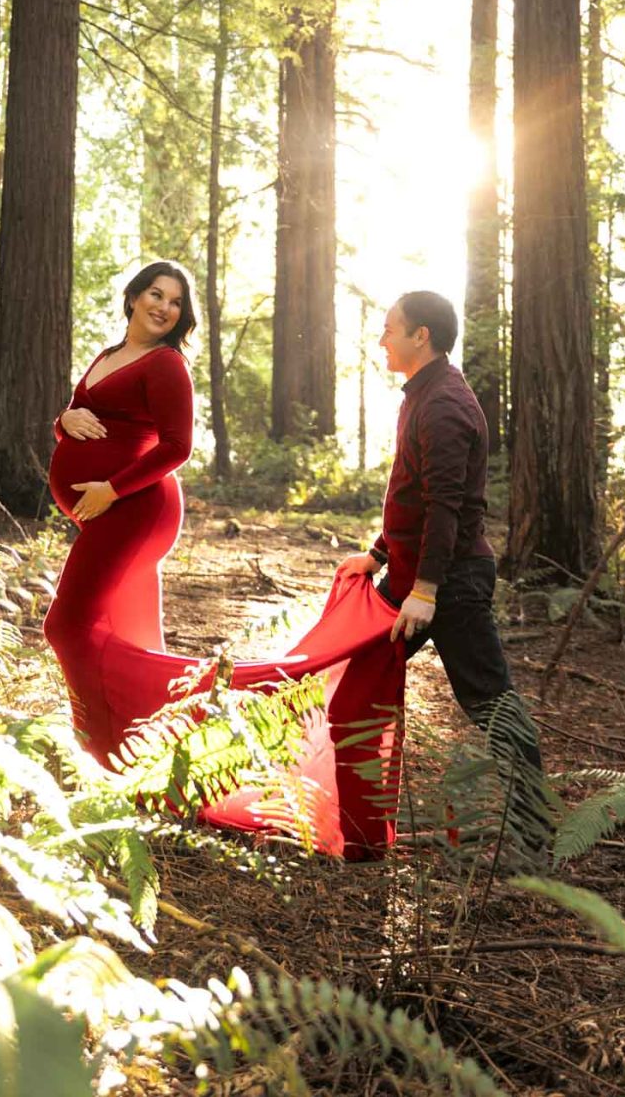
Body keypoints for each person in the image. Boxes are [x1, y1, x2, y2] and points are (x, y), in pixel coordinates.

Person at [43, 261, 406, 856]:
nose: (164, 307)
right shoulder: (110, 354)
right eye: (155, 295)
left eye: (176, 303)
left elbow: (178, 447)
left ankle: (117, 759)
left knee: (67, 627)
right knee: (120, 636)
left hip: (135, 508)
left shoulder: (166, 365)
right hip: (113, 510)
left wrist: (110, 490)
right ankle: (149, 761)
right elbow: (92, 425)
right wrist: (65, 419)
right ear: (133, 297)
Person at [338, 290, 551, 857]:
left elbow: (446, 508)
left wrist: (426, 591)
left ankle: (535, 837)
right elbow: (414, 495)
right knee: (358, 686)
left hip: (449, 583)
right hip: (416, 578)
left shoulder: (444, 405)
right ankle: (356, 829)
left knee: (490, 702)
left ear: (421, 336)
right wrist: (378, 556)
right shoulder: (421, 395)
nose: (381, 339)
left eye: (390, 329)